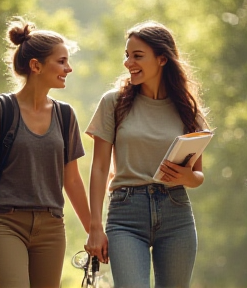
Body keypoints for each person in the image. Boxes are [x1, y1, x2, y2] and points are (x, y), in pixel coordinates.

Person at [0, 17, 90, 288]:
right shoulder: (0, 109)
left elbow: (73, 180)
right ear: (36, 66)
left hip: (52, 226)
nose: (69, 68)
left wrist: (94, 230)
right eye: (62, 61)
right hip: (5, 223)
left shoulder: (65, 116)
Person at [84, 20, 210, 288]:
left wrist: (187, 176)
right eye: (127, 55)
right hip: (125, 214)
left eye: (137, 56)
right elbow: (98, 168)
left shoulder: (187, 109)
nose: (129, 62)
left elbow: (198, 176)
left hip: (176, 213)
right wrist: (95, 227)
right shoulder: (113, 103)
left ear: (162, 58)